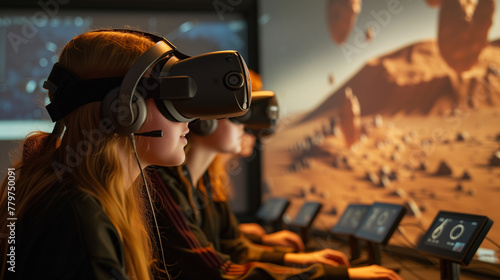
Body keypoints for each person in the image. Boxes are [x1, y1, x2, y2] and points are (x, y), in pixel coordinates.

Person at [0, 28, 250, 280]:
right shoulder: (80, 223)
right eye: (173, 98)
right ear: (125, 110)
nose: (190, 119)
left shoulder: (84, 199)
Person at [149, 111, 403, 279]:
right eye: (239, 116)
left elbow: (234, 249)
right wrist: (331, 274)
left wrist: (306, 261)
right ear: (206, 120)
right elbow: (221, 271)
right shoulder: (167, 186)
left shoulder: (203, 181)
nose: (249, 128)